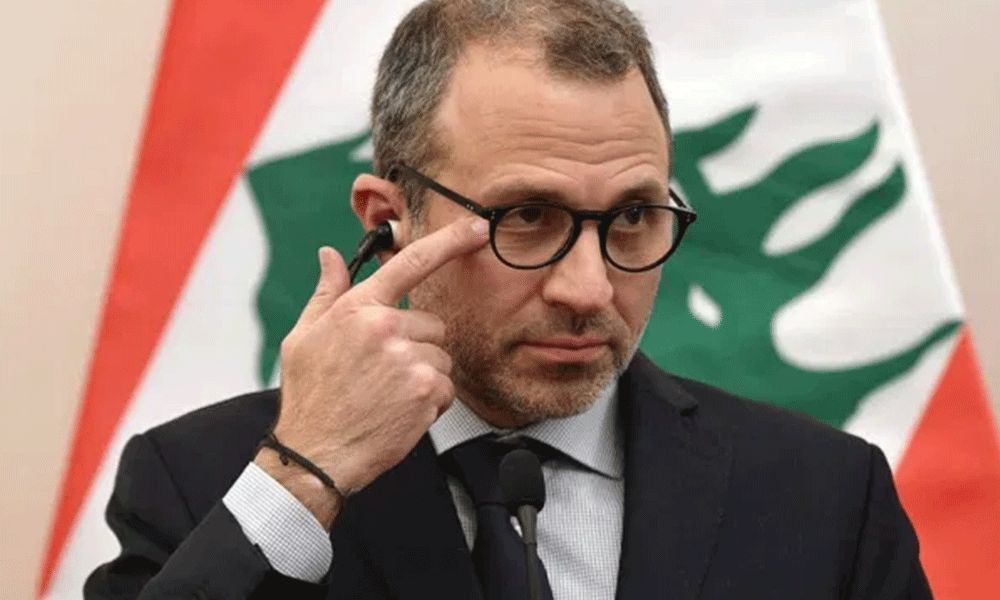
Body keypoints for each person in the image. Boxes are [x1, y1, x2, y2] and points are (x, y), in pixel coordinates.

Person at [85, 1, 933, 598]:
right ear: (389, 223)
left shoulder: (826, 497)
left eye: (632, 217)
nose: (589, 289)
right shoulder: (203, 481)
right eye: (526, 218)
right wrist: (305, 478)